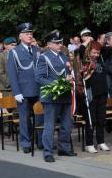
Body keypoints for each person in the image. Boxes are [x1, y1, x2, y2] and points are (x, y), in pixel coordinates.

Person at [35, 30, 76, 162]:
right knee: (50, 125)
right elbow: (40, 78)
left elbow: (67, 72)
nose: (59, 44)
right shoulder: (44, 57)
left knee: (66, 124)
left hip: (65, 95)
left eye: (60, 42)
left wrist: (69, 78)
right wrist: (57, 84)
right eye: (56, 42)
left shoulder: (64, 56)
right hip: (51, 96)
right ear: (49, 44)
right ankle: (48, 152)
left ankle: (64, 148)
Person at [8, 22, 43, 153]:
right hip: (23, 91)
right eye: (27, 34)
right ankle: (26, 142)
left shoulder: (36, 50)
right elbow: (12, 73)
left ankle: (41, 142)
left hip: (38, 89)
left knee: (40, 116)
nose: (30, 36)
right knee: (25, 118)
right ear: (20, 36)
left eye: (31, 33)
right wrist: (16, 92)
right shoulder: (14, 52)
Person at [76, 41, 110, 153]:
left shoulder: (101, 57)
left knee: (101, 119)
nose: (96, 55)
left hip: (102, 92)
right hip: (90, 93)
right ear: (88, 51)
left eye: (97, 53)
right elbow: (80, 49)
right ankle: (89, 144)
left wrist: (98, 44)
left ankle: (101, 142)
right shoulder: (84, 59)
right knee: (91, 119)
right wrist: (88, 42)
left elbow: (107, 50)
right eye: (94, 52)